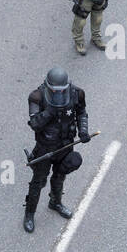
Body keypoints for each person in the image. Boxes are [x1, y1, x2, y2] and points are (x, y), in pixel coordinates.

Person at [24, 68, 90, 232]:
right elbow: (35, 124)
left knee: (60, 177)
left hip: (65, 144)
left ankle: (55, 202)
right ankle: (29, 213)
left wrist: (83, 131)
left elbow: (81, 112)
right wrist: (49, 112)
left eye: (61, 90)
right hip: (45, 147)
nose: (58, 93)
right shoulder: (36, 97)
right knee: (38, 182)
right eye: (55, 90)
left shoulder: (77, 93)